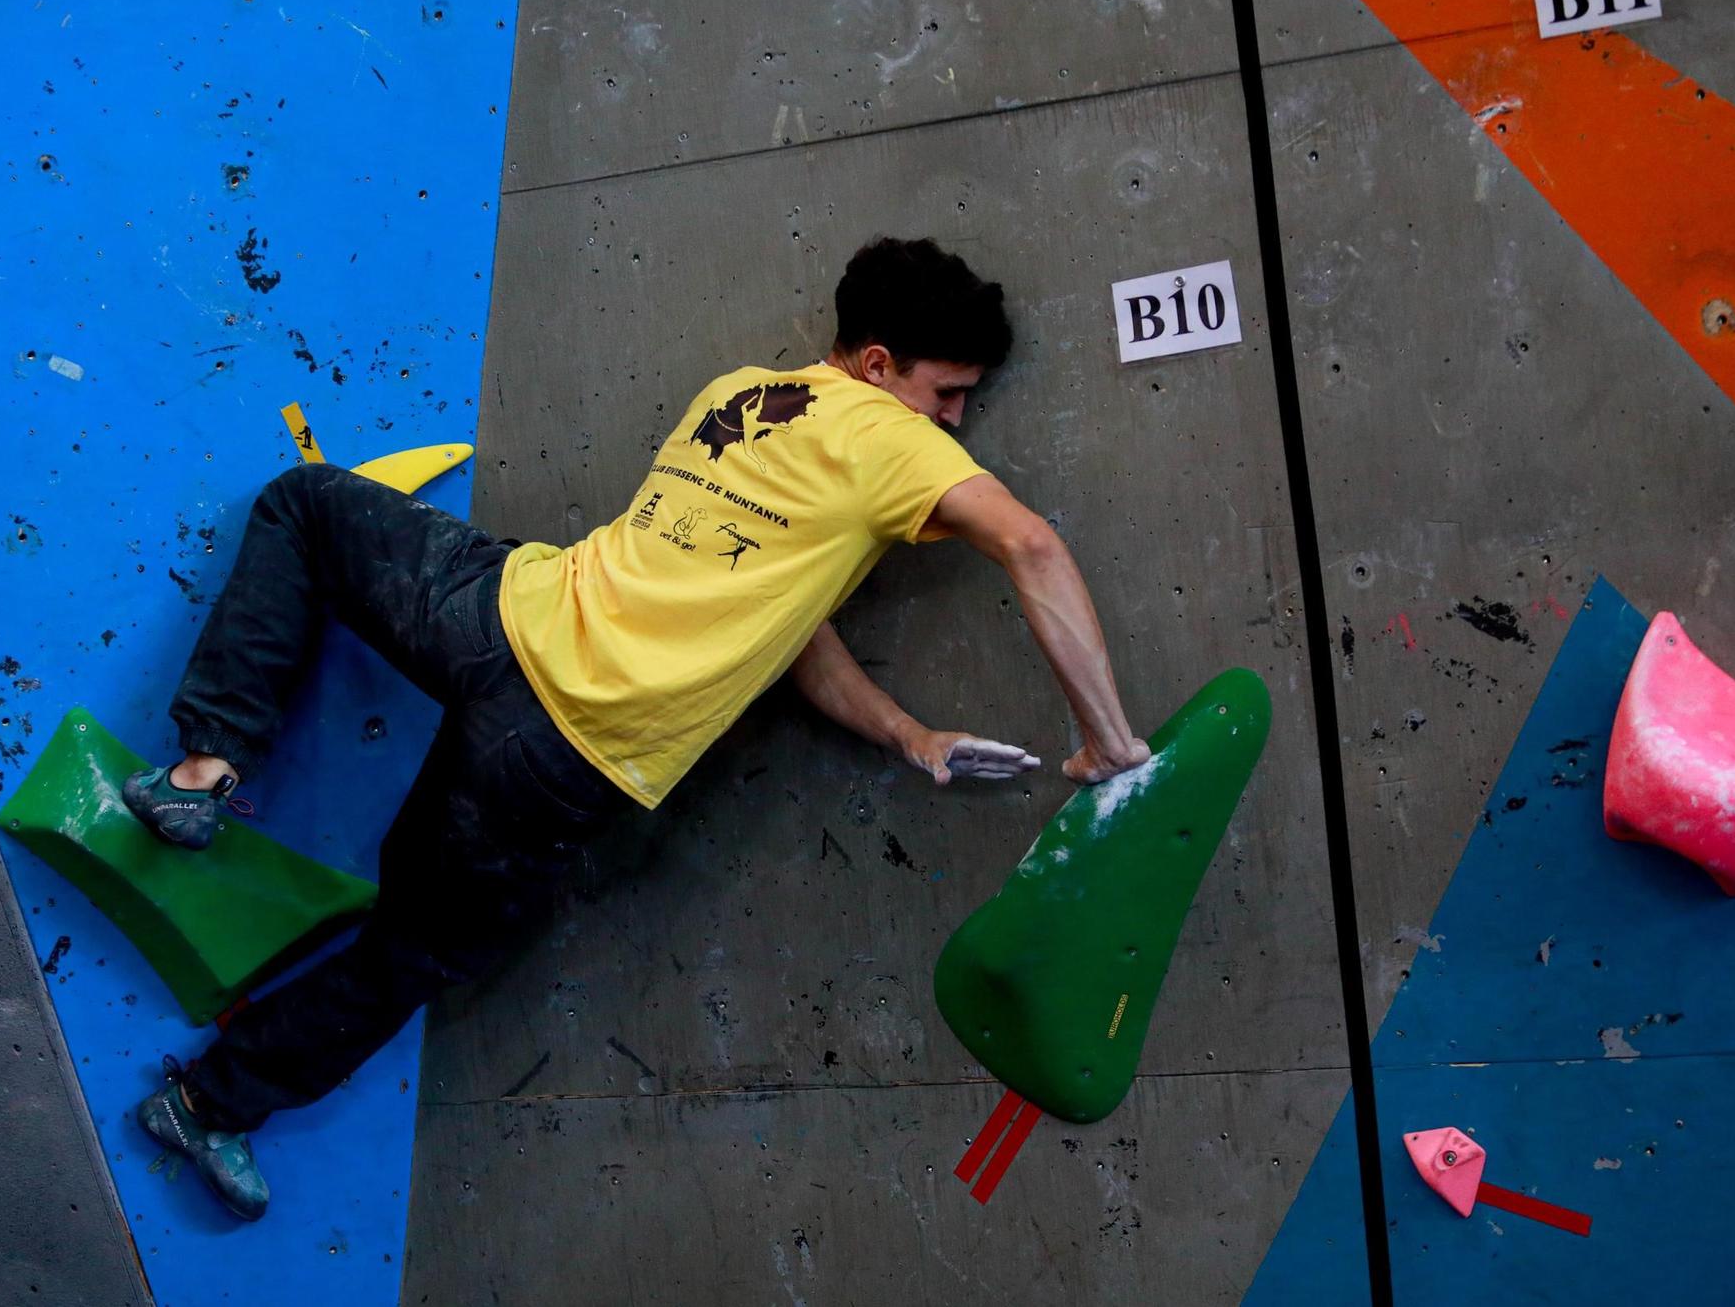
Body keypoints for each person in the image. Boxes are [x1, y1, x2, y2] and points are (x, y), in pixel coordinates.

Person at [127, 236, 1152, 1220]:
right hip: (565, 754)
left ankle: (206, 766)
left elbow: (789, 630)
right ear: (879, 366)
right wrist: (1106, 738)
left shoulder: (740, 393)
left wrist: (906, 735)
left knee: (307, 506)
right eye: (946, 393)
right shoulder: (891, 440)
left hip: (503, 618)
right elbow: (1029, 544)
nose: (957, 422)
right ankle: (206, 1105)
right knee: (409, 950)